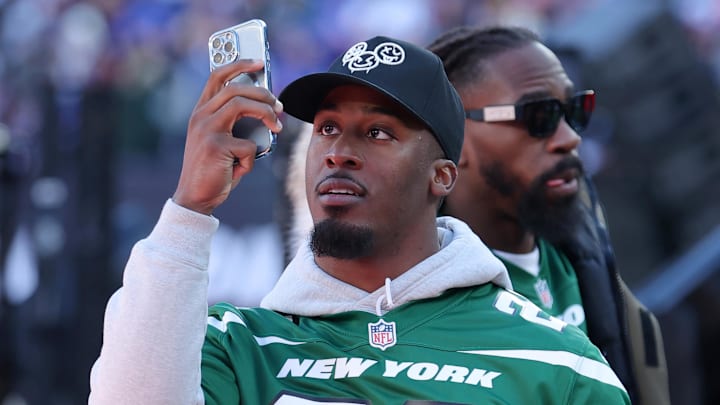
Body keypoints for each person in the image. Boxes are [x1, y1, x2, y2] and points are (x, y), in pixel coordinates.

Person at [88, 35, 630, 404]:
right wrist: (189, 210)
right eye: (326, 128)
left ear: (442, 177)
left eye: (377, 133)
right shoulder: (232, 344)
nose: (338, 152)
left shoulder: (559, 363)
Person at [427, 26, 671, 405]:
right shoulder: (422, 310)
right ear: (452, 137)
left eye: (575, 110)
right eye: (538, 116)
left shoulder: (580, 236)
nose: (570, 137)